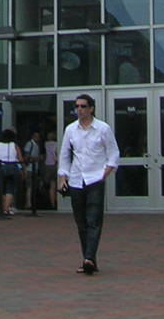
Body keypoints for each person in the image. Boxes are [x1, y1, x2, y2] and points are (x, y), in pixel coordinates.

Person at [58, 94, 119, 275]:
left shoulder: (102, 128)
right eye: (77, 106)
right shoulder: (70, 130)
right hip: (77, 179)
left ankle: (89, 259)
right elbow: (64, 154)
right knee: (81, 222)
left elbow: (113, 152)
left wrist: (106, 172)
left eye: (83, 106)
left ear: (91, 108)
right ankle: (88, 258)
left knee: (94, 219)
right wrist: (63, 177)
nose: (80, 110)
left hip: (95, 179)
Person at [0, 128, 24, 218]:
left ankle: (3, 209)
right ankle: (6, 209)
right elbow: (20, 159)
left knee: (2, 189)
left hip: (1, 167)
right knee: (10, 188)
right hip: (12, 167)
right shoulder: (14, 145)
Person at [23, 129, 45, 214]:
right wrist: (38, 158)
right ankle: (28, 203)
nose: (37, 138)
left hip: (35, 169)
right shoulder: (30, 144)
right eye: (36, 136)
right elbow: (27, 156)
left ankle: (31, 202)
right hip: (29, 168)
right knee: (29, 186)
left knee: (33, 186)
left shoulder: (37, 145)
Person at [43, 128, 59, 210]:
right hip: (54, 165)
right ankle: (56, 202)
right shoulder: (56, 144)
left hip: (47, 164)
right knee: (55, 185)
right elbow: (55, 154)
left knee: (50, 186)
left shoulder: (46, 144)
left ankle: (52, 202)